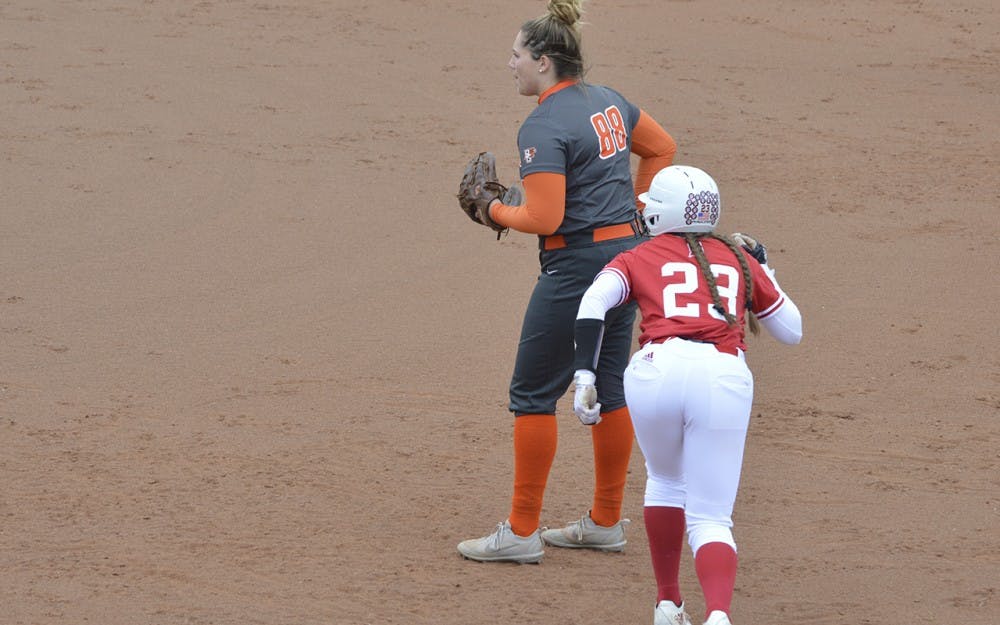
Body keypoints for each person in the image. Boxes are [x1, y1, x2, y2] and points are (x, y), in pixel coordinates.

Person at [456, 0, 677, 564]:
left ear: (545, 62)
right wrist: (639, 206)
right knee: (607, 383)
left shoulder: (544, 123)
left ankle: (522, 532)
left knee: (532, 393)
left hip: (576, 267)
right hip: (627, 258)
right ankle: (605, 520)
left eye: (516, 55)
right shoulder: (609, 100)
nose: (510, 64)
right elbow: (661, 148)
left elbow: (545, 218)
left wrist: (494, 212)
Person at [568, 164, 802, 625]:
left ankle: (667, 604)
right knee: (712, 518)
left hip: (655, 373)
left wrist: (585, 377)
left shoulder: (639, 255)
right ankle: (717, 615)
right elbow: (791, 331)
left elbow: (594, 301)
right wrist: (765, 267)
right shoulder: (739, 258)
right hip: (722, 377)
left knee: (665, 481)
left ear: (661, 213)